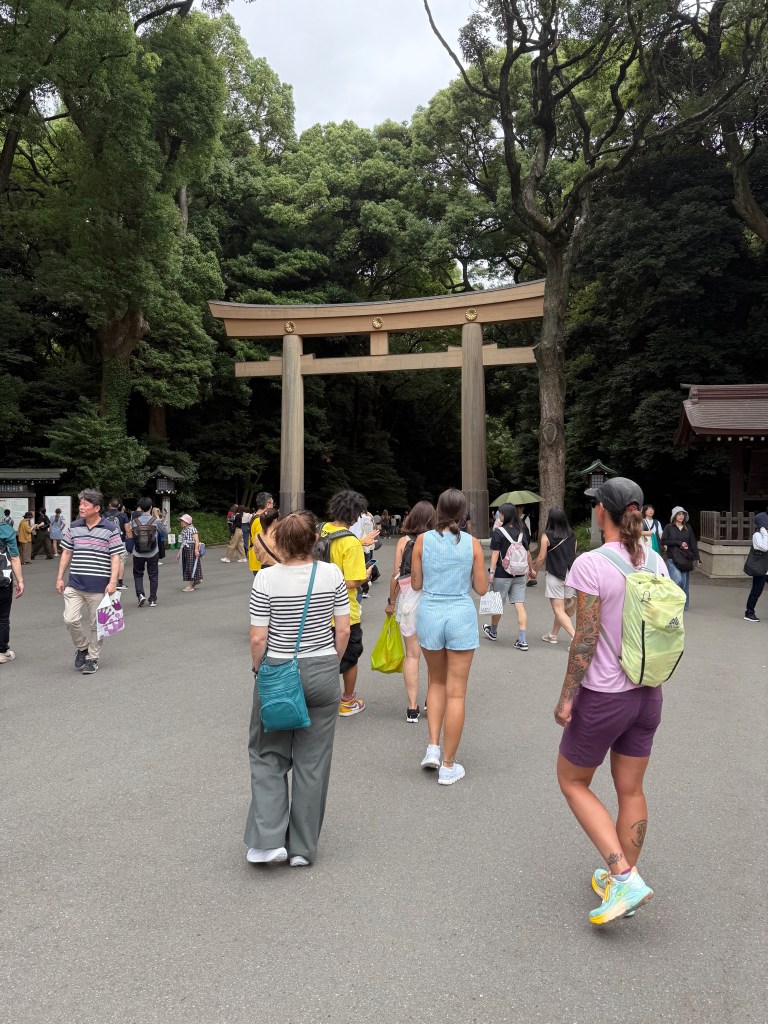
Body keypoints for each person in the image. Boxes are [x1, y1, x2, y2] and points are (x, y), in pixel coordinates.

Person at [554, 476, 665, 926]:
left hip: (604, 695)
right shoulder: (654, 561)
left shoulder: (591, 563)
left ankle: (622, 877)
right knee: (631, 789)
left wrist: (567, 697)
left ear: (602, 511)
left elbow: (584, 639)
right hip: (648, 693)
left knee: (572, 781)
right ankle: (627, 880)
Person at [245, 510, 350, 866]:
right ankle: (302, 849)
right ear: (315, 540)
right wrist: (331, 663)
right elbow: (343, 629)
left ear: (278, 542)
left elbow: (258, 637)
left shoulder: (266, 579)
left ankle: (268, 839)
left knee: (268, 753)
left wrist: (258, 669)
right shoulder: (332, 574)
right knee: (313, 761)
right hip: (322, 669)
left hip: (278, 668)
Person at [411, 488, 487, 785]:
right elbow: (481, 588)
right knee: (456, 692)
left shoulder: (422, 540)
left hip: (430, 612)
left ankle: (432, 747)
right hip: (460, 615)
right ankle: (448, 764)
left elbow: (416, 584)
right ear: (463, 513)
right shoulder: (472, 544)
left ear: (438, 510)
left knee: (435, 682)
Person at [320, 490, 376, 717]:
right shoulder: (350, 542)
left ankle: (320, 700)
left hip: (318, 609)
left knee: (320, 656)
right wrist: (366, 575)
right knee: (349, 658)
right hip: (344, 611)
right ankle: (347, 701)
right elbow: (352, 581)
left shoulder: (321, 530)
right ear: (354, 515)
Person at [57, 490, 124, 675]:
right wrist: (60, 577)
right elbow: (67, 552)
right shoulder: (74, 527)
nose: (81, 507)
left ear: (97, 508)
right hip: (75, 583)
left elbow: (116, 556)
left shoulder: (110, 528)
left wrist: (113, 582)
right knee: (70, 619)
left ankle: (93, 658)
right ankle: (83, 647)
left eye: (85, 505)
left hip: (99, 586)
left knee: (96, 625)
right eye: (80, 504)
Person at [386, 500, 436, 723]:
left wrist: (391, 601)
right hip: (432, 602)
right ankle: (431, 702)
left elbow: (396, 575)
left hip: (409, 602)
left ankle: (412, 707)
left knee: (412, 656)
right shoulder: (437, 540)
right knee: (434, 658)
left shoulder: (403, 541)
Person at [482, 503, 535, 650]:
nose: (499, 515)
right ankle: (522, 639)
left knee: (498, 604)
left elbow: (495, 553)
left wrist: (491, 573)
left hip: (502, 574)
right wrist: (531, 570)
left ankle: (493, 631)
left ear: (504, 515)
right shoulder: (522, 531)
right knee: (519, 605)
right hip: (520, 573)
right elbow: (528, 553)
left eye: (500, 513)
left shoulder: (499, 532)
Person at [535, 507, 578, 646]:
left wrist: (534, 571)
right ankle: (552, 634)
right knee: (562, 609)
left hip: (555, 574)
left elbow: (541, 557)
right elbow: (573, 553)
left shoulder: (547, 536)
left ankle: (576, 639)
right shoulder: (572, 535)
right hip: (570, 575)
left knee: (558, 610)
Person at [126, 497, 162, 607]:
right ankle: (152, 599)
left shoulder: (134, 522)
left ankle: (140, 595)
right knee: (153, 575)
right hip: (153, 552)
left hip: (138, 552)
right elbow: (164, 533)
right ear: (151, 507)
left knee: (138, 574)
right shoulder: (155, 521)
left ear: (140, 508)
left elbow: (130, 535)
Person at [661, 506, 700, 610]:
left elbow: (693, 543)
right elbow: (663, 541)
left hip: (685, 559)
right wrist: (678, 543)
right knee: (677, 579)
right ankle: (673, 601)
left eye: (683, 514)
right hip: (672, 558)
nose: (681, 516)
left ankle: (682, 604)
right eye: (679, 514)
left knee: (684, 582)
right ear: (674, 516)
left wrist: (697, 558)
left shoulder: (688, 528)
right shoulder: (669, 527)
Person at [0, 514, 24, 664]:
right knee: (2, 617)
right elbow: (14, 557)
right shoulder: (5, 530)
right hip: (2, 581)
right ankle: (2, 652)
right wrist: (20, 580)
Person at [743, 511, 768, 622]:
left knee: (756, 591)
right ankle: (749, 613)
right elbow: (764, 547)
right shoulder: (757, 535)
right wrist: (764, 533)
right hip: (760, 569)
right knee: (756, 592)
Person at [103, 499, 129, 589]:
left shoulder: (103, 515)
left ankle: (107, 581)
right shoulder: (123, 515)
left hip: (106, 541)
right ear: (119, 506)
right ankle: (120, 582)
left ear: (109, 504)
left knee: (107, 561)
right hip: (120, 541)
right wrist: (130, 539)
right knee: (121, 561)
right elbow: (127, 530)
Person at [248, 492, 275, 576]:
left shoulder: (255, 517)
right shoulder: (260, 520)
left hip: (256, 561)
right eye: (272, 504)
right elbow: (262, 542)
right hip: (262, 563)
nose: (273, 506)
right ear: (267, 504)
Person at [177, 513, 202, 591]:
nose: (181, 522)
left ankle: (190, 586)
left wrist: (196, 550)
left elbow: (196, 540)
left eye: (183, 521)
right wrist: (179, 552)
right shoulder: (183, 530)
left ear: (187, 522)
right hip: (185, 548)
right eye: (181, 521)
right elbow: (183, 542)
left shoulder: (192, 529)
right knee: (188, 565)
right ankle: (197, 579)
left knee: (190, 566)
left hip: (191, 548)